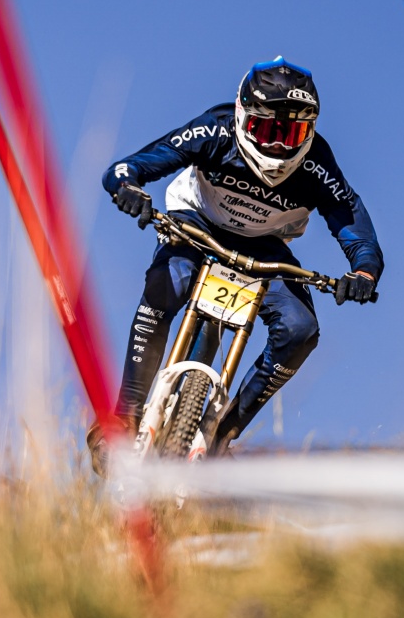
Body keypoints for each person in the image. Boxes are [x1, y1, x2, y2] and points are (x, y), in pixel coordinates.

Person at [92, 57, 382, 465]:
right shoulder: (215, 129)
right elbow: (129, 166)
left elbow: (353, 221)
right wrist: (128, 187)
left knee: (300, 330)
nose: (278, 146)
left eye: (292, 133)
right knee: (165, 286)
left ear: (310, 131)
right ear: (244, 116)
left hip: (264, 247)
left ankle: (221, 436)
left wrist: (363, 270)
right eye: (267, 130)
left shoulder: (317, 163)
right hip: (197, 223)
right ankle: (124, 417)